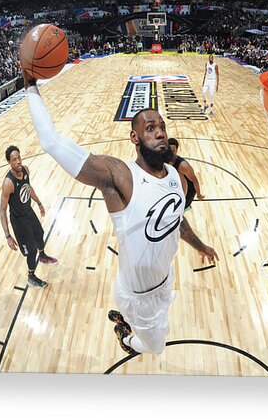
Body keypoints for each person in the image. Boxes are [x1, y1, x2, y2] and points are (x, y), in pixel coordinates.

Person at [23, 68, 219, 356]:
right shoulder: (120, 176)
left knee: (159, 318)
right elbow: (52, 142)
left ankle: (130, 323)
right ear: (134, 137)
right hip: (137, 297)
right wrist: (30, 87)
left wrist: (201, 245)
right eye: (150, 128)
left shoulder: (174, 175)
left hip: (166, 279)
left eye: (162, 127)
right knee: (154, 348)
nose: (161, 133)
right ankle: (126, 339)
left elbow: (176, 221)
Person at [0, 145, 58, 289]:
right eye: (14, 159)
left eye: (19, 157)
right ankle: (31, 277)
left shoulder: (25, 170)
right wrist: (8, 236)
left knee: (40, 234)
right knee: (31, 252)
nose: (18, 161)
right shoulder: (8, 183)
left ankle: (43, 256)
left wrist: (38, 202)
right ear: (9, 162)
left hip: (29, 212)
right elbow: (2, 209)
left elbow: (28, 188)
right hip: (19, 221)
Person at [168, 138, 205, 211]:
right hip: (177, 186)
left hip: (188, 191)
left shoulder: (183, 166)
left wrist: (199, 195)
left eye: (173, 150)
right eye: (169, 150)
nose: (171, 153)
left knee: (178, 211)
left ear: (177, 150)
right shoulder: (164, 158)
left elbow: (194, 180)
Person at [201, 53, 219, 118]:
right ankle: (205, 105)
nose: (210, 59)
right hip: (207, 80)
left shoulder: (215, 65)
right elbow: (205, 72)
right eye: (209, 58)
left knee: (211, 95)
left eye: (211, 58)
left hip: (212, 81)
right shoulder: (206, 64)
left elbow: (217, 75)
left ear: (213, 59)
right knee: (203, 93)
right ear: (208, 58)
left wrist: (217, 85)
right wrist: (203, 81)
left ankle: (211, 110)